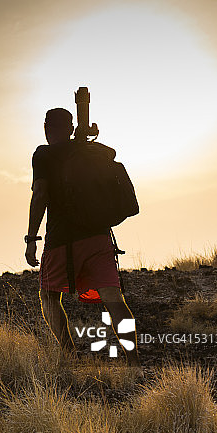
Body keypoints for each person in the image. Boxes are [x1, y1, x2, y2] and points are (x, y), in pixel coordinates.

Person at [25, 107, 139, 366]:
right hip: (100, 237)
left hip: (61, 241)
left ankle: (69, 357)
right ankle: (135, 364)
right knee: (113, 298)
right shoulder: (93, 152)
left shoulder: (44, 155)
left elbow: (40, 193)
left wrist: (31, 238)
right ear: (72, 127)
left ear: (46, 127)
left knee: (49, 296)